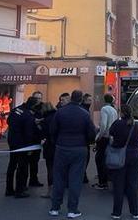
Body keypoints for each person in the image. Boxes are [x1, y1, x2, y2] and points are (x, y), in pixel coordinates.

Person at [49, 90, 96, 218]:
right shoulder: (84, 114)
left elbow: (52, 130)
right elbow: (91, 133)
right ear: (81, 100)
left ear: (71, 98)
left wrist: (57, 142)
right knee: (75, 179)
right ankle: (72, 209)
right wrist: (87, 142)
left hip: (62, 147)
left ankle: (55, 207)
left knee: (59, 178)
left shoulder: (60, 112)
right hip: (79, 148)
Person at [108, 104, 138, 219]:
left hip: (120, 156)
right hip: (134, 156)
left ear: (121, 113)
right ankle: (135, 212)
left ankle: (117, 213)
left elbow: (111, 133)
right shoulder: (137, 125)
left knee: (119, 185)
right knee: (132, 185)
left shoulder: (117, 123)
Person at [5, 96, 40, 198]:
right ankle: (20, 190)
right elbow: (28, 134)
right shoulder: (28, 115)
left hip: (12, 142)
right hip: (22, 145)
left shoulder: (16, 109)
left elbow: (8, 121)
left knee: (12, 166)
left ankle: (9, 189)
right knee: (22, 167)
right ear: (33, 106)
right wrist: (29, 148)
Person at [93, 94, 118, 190]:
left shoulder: (104, 109)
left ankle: (102, 182)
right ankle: (107, 178)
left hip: (104, 137)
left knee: (99, 159)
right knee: (106, 158)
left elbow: (103, 124)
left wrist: (99, 136)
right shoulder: (114, 110)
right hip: (111, 137)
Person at [39, 102, 58, 199]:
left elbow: (44, 133)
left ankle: (51, 191)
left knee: (50, 168)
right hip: (59, 145)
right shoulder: (57, 116)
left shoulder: (46, 120)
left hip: (49, 146)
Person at [28, 98, 45, 188]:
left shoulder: (40, 111)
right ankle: (23, 184)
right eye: (37, 98)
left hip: (37, 142)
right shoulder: (27, 113)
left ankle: (33, 180)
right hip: (28, 142)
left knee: (35, 162)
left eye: (40, 98)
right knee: (25, 164)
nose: (39, 100)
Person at [81, 93, 94, 184]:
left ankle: (83, 175)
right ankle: (83, 176)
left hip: (84, 140)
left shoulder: (86, 110)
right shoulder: (84, 110)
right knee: (85, 158)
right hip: (84, 140)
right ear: (84, 100)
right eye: (89, 100)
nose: (91, 102)